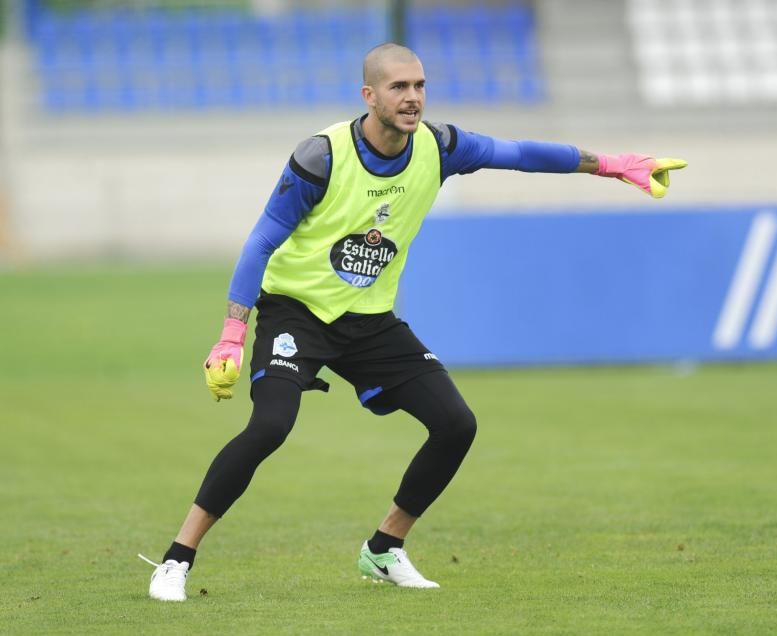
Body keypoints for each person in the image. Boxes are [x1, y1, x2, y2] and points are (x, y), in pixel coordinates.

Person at [140, 43, 686, 601]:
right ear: (369, 95)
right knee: (270, 427)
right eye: (399, 87)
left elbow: (522, 153)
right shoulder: (320, 156)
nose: (413, 98)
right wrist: (233, 332)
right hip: (297, 314)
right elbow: (261, 241)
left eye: (420, 86)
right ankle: (176, 560)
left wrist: (613, 165)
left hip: (370, 322)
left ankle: (383, 549)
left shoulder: (441, 146)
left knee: (456, 424)